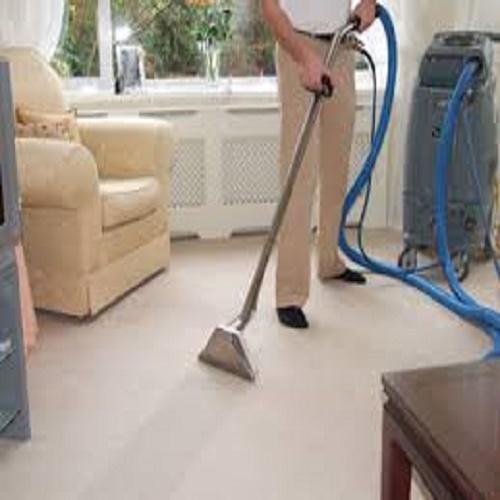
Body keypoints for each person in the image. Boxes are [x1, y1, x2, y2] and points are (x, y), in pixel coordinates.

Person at [262, 0, 377, 329]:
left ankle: (329, 260)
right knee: (299, 175)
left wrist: (369, 3)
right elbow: (270, 9)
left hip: (341, 47)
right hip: (297, 46)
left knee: (336, 166)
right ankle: (289, 292)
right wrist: (303, 58)